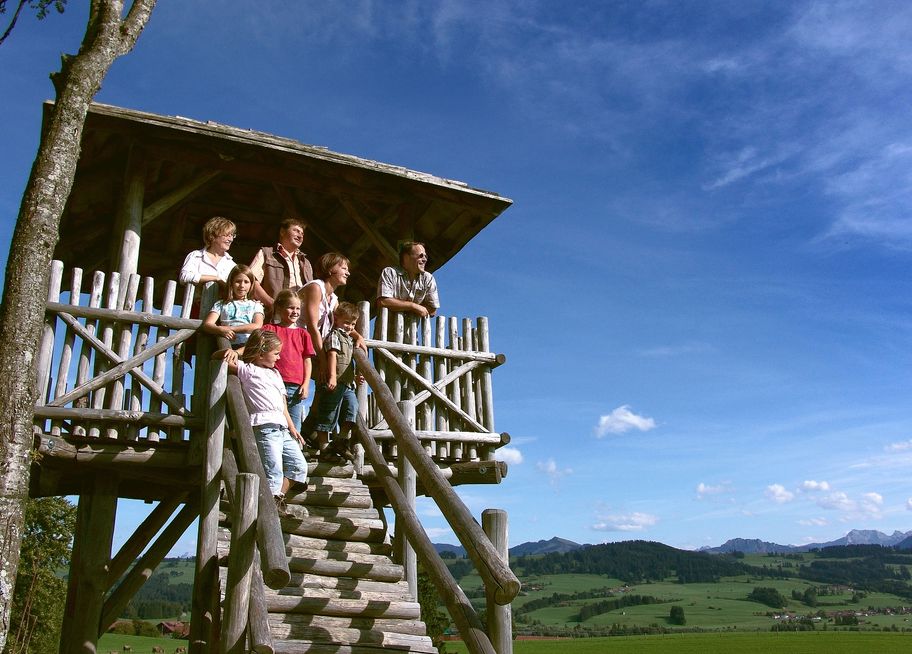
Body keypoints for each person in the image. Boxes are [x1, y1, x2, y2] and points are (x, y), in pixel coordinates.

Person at [215, 329, 307, 514]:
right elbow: (216, 359)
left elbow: (283, 405)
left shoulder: (275, 374)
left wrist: (292, 428)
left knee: (299, 466)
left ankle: (276, 498)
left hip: (282, 427)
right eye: (275, 354)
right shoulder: (249, 370)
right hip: (265, 426)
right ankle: (271, 508)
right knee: (273, 470)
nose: (279, 358)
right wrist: (234, 352)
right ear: (260, 353)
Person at [300, 302, 361, 462]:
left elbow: (349, 362)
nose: (349, 327)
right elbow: (333, 355)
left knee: (352, 409)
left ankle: (340, 440)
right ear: (337, 319)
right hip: (335, 381)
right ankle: (324, 447)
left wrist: (355, 377)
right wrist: (332, 376)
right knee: (328, 412)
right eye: (346, 322)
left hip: (347, 384)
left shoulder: (349, 339)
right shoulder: (334, 335)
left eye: (353, 324)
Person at [262, 289, 316, 432]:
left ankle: (294, 451)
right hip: (272, 383)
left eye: (298, 308)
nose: (295, 311)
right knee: (274, 423)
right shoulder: (269, 329)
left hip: (295, 387)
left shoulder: (303, 334)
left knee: (294, 426)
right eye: (291, 307)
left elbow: (307, 361)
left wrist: (306, 383)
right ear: (279, 308)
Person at [248, 217, 314, 322]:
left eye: (302, 233)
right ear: (282, 232)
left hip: (300, 319)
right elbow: (250, 281)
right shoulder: (267, 254)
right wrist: (272, 304)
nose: (300, 235)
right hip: (274, 317)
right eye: (296, 230)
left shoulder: (306, 262)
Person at [201, 264, 264, 347]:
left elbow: (257, 325)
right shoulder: (221, 304)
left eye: (246, 282)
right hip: (226, 343)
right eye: (238, 281)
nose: (242, 285)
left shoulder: (255, 305)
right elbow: (207, 324)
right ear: (231, 283)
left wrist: (231, 329)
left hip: (247, 346)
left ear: (251, 284)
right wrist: (220, 329)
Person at [377, 241, 440, 318]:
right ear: (406, 258)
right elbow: (383, 301)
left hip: (411, 330)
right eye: (421, 256)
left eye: (425, 256)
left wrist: (398, 305)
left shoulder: (428, 278)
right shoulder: (390, 272)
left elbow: (432, 310)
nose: (425, 259)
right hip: (386, 329)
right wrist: (412, 306)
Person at [178, 216, 237, 289]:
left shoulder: (231, 264)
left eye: (232, 235)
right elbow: (184, 277)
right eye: (226, 235)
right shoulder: (196, 256)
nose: (230, 239)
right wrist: (216, 278)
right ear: (212, 236)